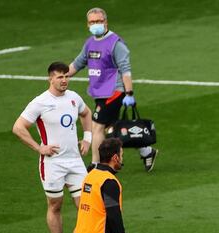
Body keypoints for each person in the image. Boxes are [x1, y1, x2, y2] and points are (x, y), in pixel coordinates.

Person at [13, 61, 92, 233]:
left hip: (75, 161)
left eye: (66, 76)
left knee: (85, 204)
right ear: (51, 78)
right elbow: (18, 127)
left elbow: (86, 113)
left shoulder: (74, 98)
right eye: (60, 77)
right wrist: (39, 148)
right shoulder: (40, 102)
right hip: (52, 163)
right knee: (55, 204)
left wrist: (88, 138)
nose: (64, 80)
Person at [67, 7, 158, 171]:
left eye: (99, 21)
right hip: (100, 92)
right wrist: (61, 76)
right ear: (87, 24)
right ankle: (147, 151)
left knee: (97, 127)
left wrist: (129, 93)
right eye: (92, 22)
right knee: (113, 130)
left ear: (106, 22)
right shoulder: (90, 43)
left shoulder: (116, 43)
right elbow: (77, 63)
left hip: (114, 92)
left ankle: (96, 165)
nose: (96, 24)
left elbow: (126, 70)